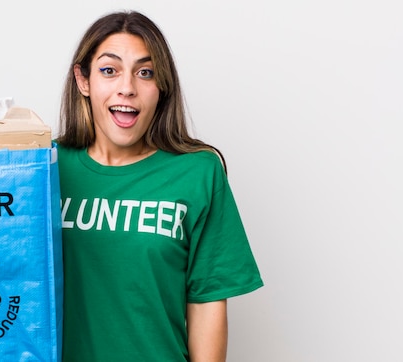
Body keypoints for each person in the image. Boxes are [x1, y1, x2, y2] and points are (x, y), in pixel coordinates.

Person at [55, 10, 263, 362]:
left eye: (145, 72)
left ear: (161, 86)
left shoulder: (197, 172)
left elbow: (207, 304)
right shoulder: (43, 168)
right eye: (109, 70)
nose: (127, 87)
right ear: (83, 80)